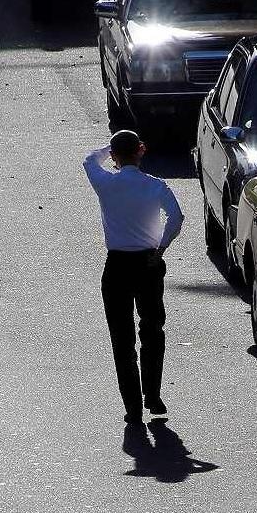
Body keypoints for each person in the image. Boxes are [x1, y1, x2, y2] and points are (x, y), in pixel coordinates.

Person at [84, 130, 184, 423]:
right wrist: (161, 248)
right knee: (152, 329)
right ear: (141, 150)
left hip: (116, 265)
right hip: (149, 262)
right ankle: (152, 394)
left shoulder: (105, 183)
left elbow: (90, 160)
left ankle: (132, 406)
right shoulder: (155, 186)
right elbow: (176, 218)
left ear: (115, 156)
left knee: (122, 337)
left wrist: (111, 148)